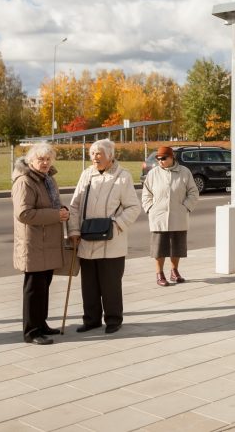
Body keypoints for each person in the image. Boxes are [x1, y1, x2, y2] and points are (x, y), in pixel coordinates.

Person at [67, 139, 141, 334]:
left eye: (99, 154)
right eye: (92, 154)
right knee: (89, 285)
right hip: (86, 239)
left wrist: (117, 224)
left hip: (112, 241)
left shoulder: (123, 177)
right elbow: (74, 206)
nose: (95, 158)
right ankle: (91, 319)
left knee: (110, 284)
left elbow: (134, 207)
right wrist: (73, 230)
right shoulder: (86, 175)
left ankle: (113, 319)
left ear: (110, 156)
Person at [11, 143, 71, 345]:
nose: (45, 163)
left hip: (47, 242)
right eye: (40, 159)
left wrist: (61, 210)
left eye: (48, 159)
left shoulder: (48, 179)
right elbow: (24, 213)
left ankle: (41, 324)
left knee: (44, 286)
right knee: (34, 289)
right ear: (31, 161)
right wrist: (56, 215)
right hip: (34, 243)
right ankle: (32, 331)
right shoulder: (25, 181)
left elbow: (50, 205)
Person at [142, 145, 199, 287]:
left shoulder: (184, 172)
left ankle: (174, 271)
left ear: (172, 157)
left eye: (164, 158)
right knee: (159, 247)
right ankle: (159, 274)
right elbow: (146, 193)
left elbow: (193, 192)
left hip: (178, 215)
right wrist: (150, 208)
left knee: (177, 246)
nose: (160, 161)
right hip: (158, 216)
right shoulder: (153, 173)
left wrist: (185, 207)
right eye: (158, 158)